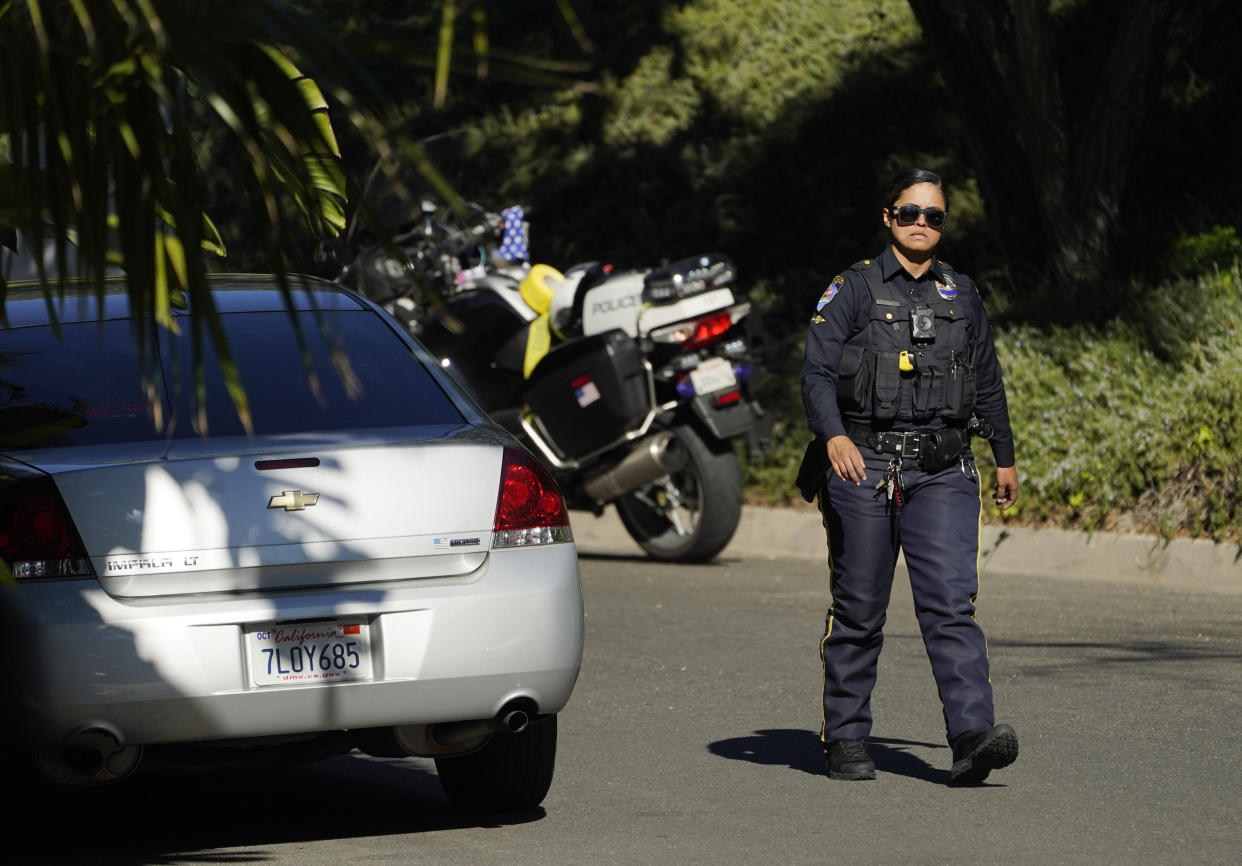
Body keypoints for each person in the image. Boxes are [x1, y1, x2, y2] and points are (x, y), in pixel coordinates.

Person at [798, 168, 1020, 785]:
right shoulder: (853, 289)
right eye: (910, 212)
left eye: (934, 216)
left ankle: (972, 736)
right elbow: (816, 375)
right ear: (888, 217)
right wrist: (834, 436)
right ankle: (845, 736)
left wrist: (1004, 454)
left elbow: (988, 379)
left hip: (944, 469)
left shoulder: (962, 294)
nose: (922, 223)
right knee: (861, 611)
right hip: (863, 463)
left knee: (951, 604)